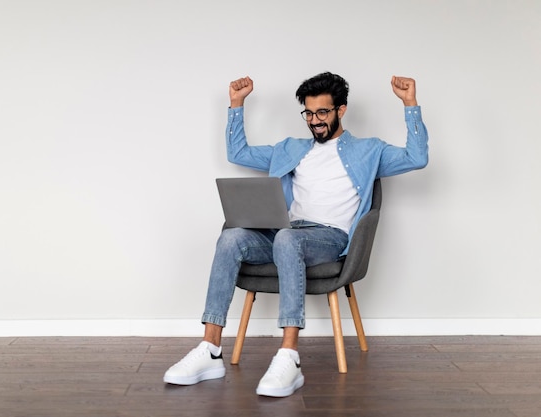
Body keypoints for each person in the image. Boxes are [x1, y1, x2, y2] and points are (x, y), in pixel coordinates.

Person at [164, 72, 429, 397]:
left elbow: (417, 158)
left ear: (341, 110)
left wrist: (410, 105)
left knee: (288, 240)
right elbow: (238, 154)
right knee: (231, 237)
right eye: (308, 113)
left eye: (322, 113)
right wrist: (236, 105)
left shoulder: (369, 150)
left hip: (329, 239)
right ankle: (210, 349)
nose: (315, 121)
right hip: (285, 233)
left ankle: (289, 356)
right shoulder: (289, 149)